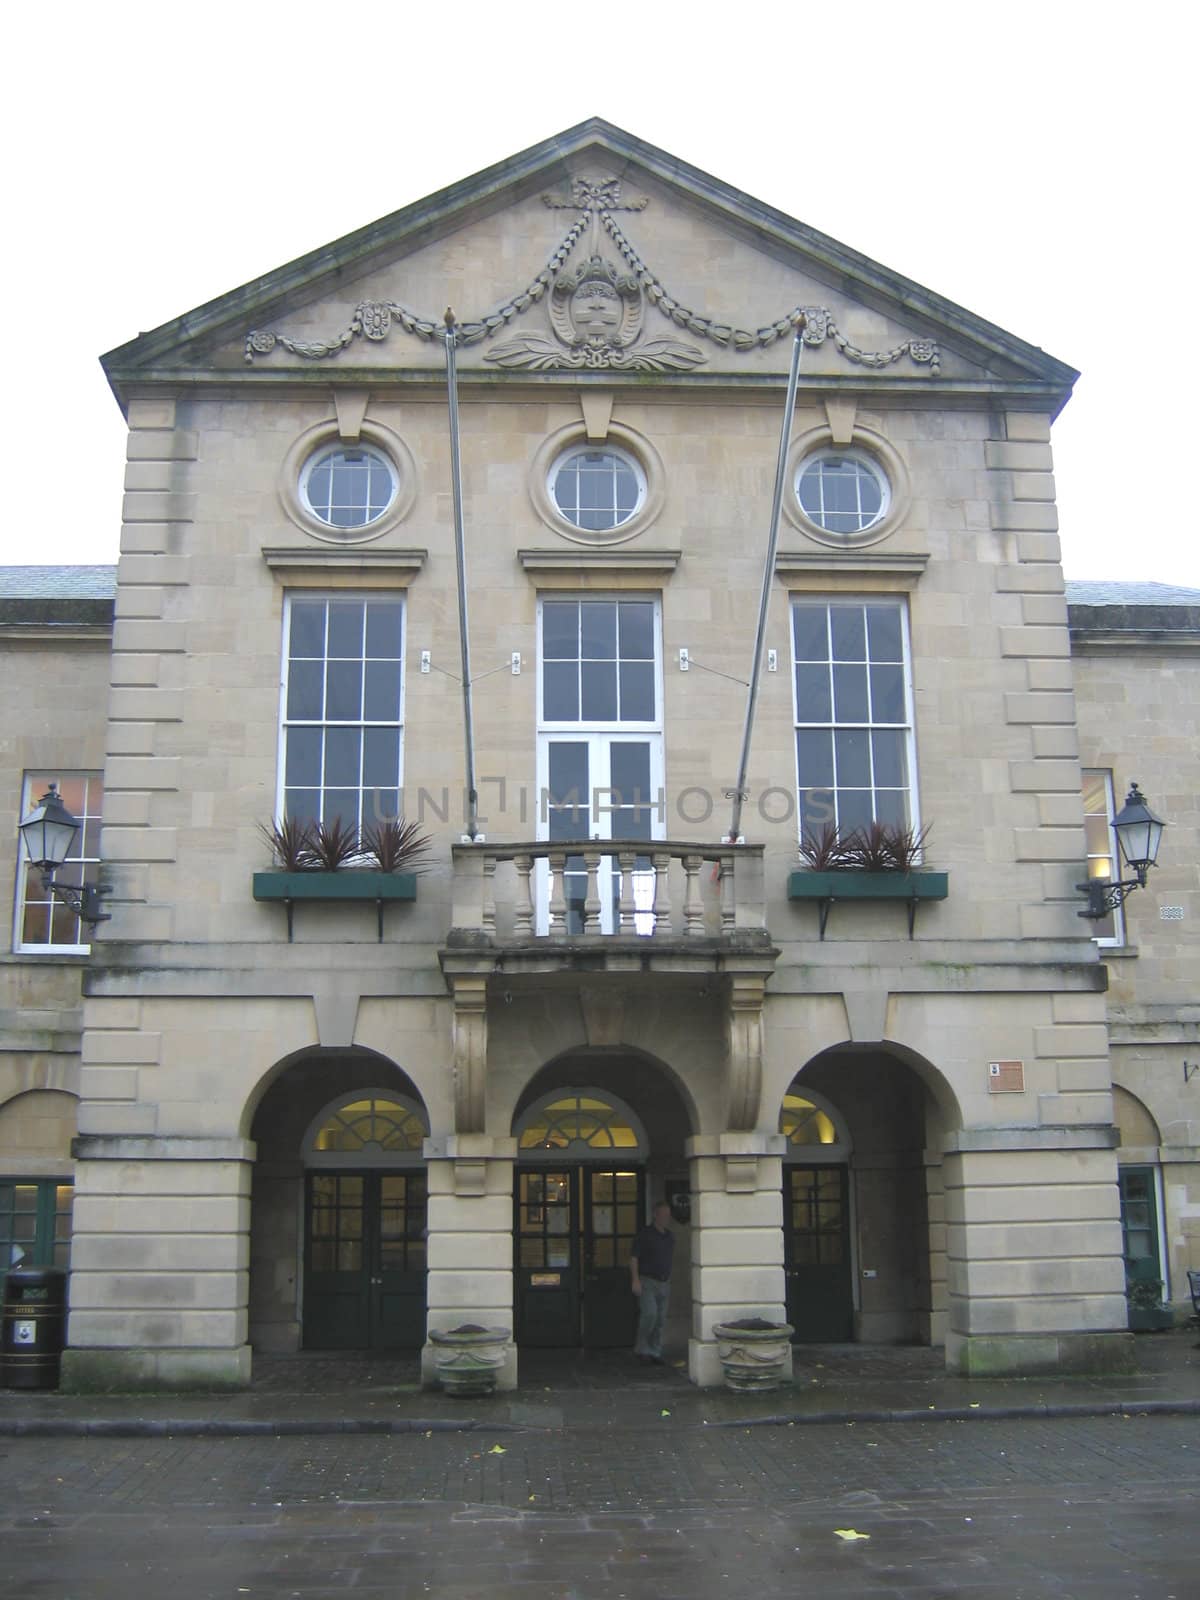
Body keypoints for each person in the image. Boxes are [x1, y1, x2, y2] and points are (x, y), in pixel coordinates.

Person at [629, 1200, 674, 1364]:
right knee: (650, 1314)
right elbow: (634, 1258)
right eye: (663, 1214)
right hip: (647, 1281)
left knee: (661, 1319)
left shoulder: (669, 1236)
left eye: (668, 1215)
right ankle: (642, 1349)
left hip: (664, 1282)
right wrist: (635, 1280)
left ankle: (655, 1352)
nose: (666, 1218)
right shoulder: (645, 1235)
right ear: (655, 1215)